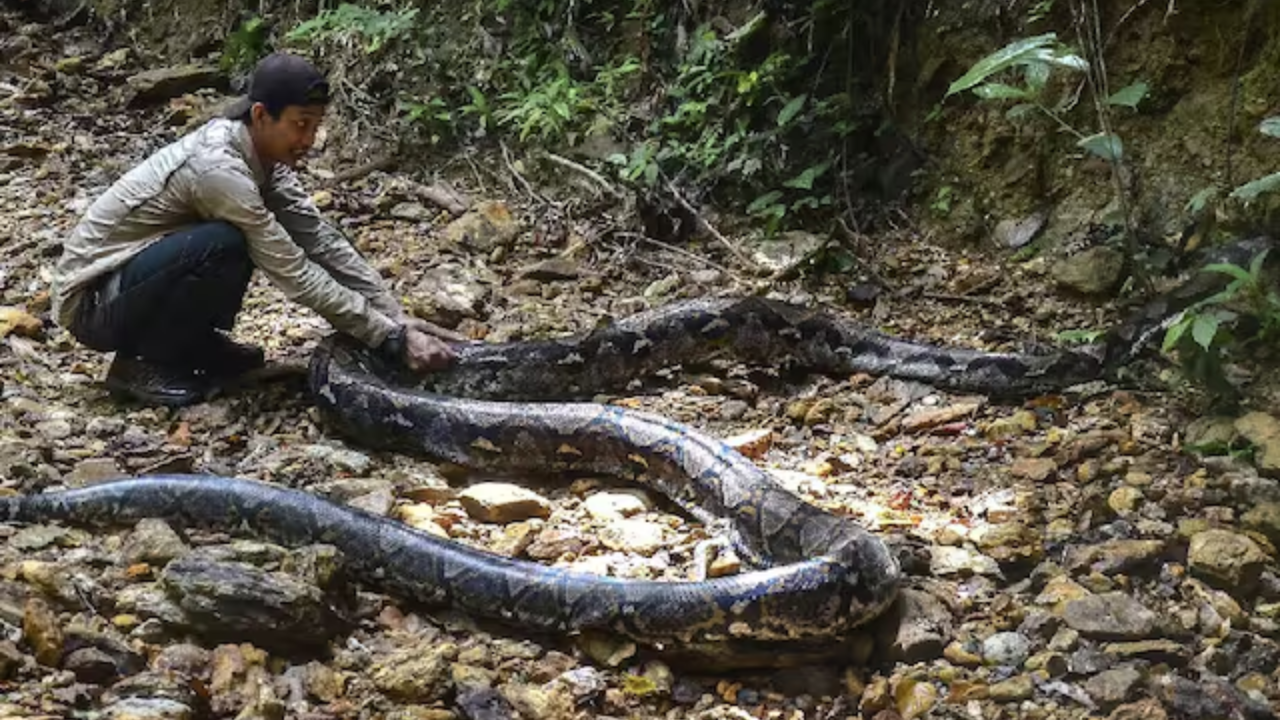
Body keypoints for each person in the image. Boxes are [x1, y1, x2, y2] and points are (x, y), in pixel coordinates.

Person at [50, 52, 456, 407]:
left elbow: (319, 238)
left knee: (230, 242)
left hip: (130, 285)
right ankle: (142, 364)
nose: (310, 139)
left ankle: (189, 344)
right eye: (300, 124)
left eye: (316, 125)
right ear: (261, 115)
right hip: (91, 304)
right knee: (224, 243)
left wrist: (393, 315)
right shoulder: (217, 170)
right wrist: (386, 338)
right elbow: (292, 270)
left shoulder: (264, 159)